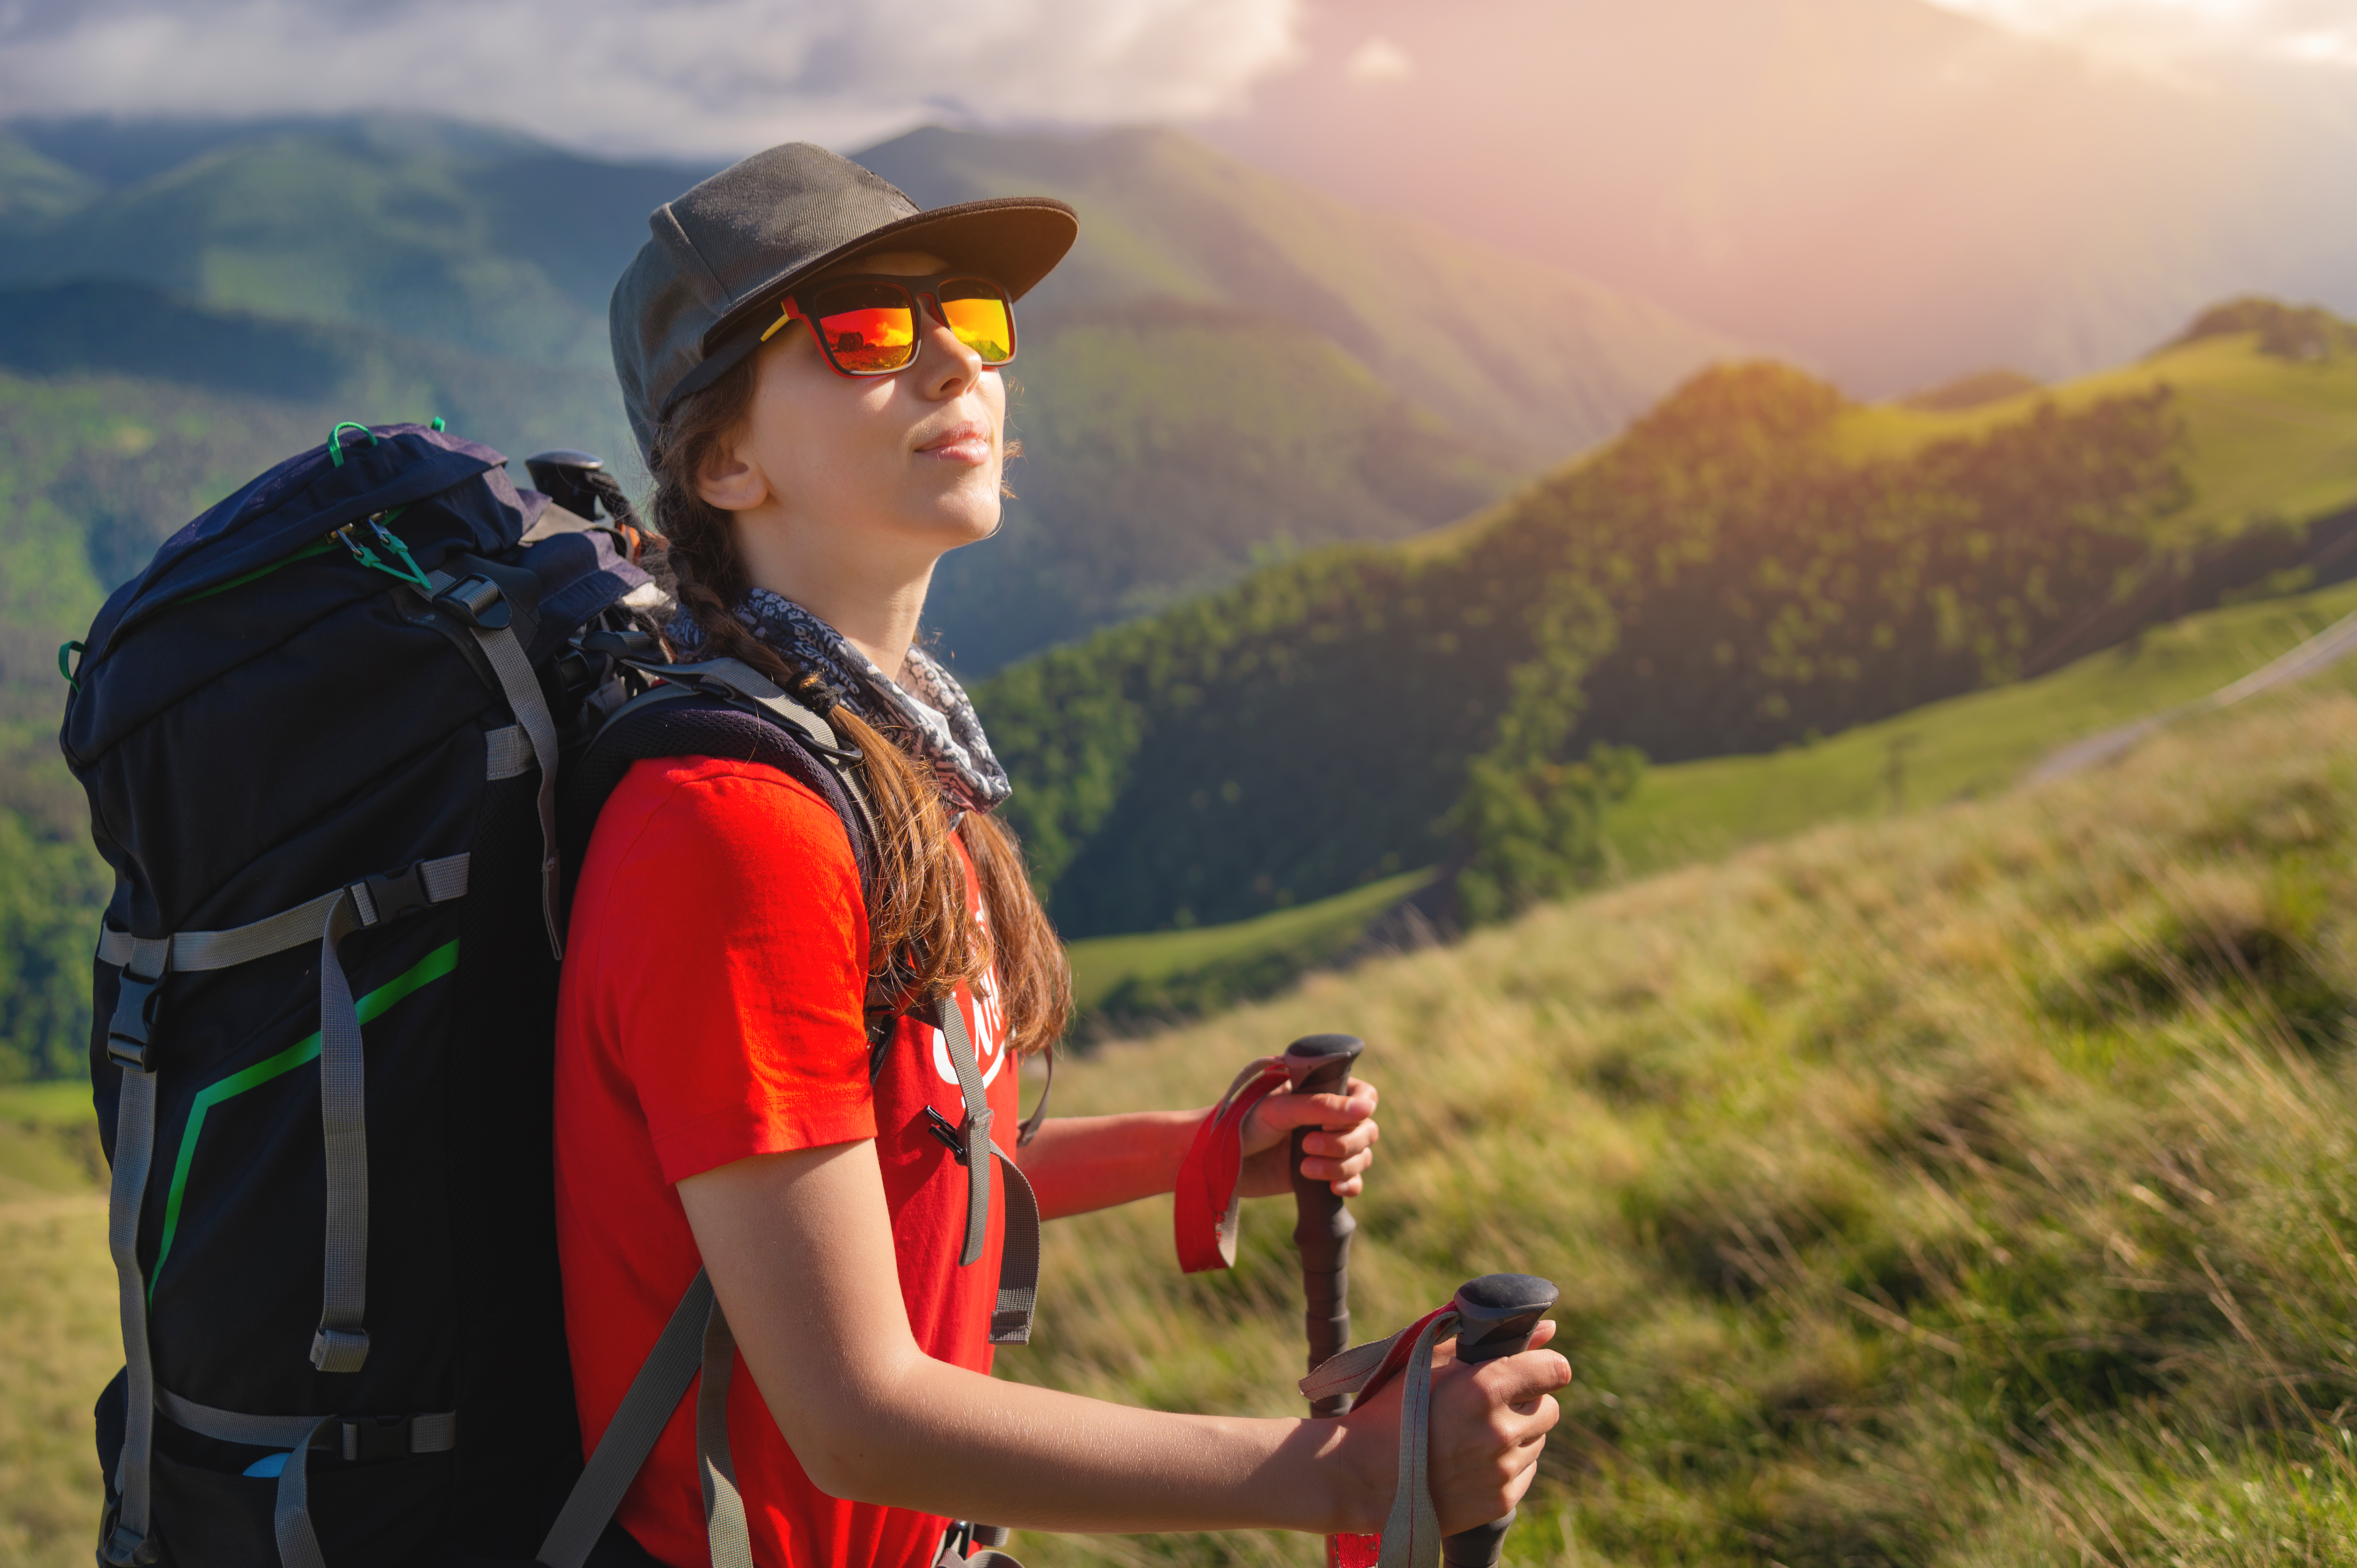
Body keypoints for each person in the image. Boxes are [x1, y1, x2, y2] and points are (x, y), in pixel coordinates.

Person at [556, 142, 1569, 1568]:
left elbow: (905, 1155)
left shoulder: (893, 765)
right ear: (724, 459)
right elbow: (854, 1414)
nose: (952, 367)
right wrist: (1356, 1473)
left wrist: (1196, 1151)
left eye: (968, 322)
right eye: (864, 333)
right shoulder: (736, 828)